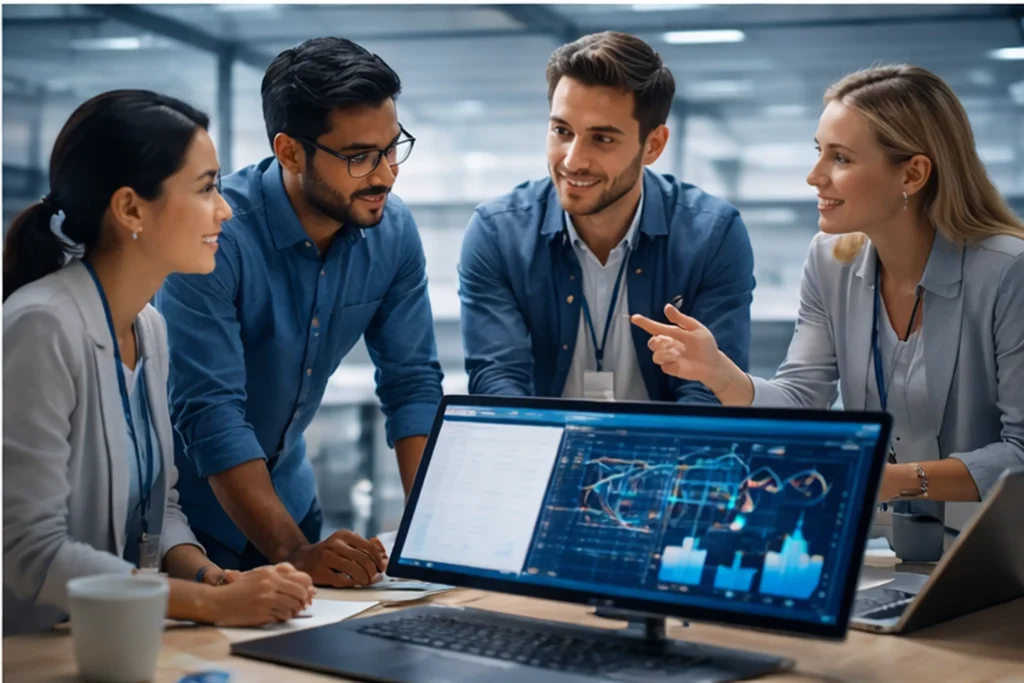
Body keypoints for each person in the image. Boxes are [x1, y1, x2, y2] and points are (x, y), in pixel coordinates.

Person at [632, 64, 1024, 562]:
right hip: (898, 553)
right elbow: (802, 397)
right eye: (819, 151)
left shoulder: (1009, 272)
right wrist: (719, 374)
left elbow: (1021, 452)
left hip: (1002, 561)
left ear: (913, 173)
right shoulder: (830, 259)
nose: (815, 175)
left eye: (840, 158)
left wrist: (889, 481)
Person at [3, 90, 315, 636]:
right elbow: (29, 551)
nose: (226, 208)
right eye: (206, 188)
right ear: (130, 209)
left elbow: (159, 506)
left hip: (113, 638)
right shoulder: (41, 325)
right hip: (31, 648)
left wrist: (217, 581)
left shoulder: (148, 326)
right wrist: (211, 607)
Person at [155, 37, 442, 583]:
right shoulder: (215, 238)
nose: (384, 175)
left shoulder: (393, 230)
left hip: (291, 500)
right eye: (358, 156)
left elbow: (412, 384)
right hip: (186, 525)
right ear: (289, 152)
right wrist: (291, 550)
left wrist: (434, 530)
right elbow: (211, 413)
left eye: (392, 147)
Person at [457, 31, 755, 403]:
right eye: (561, 131)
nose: (573, 160)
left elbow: (708, 390)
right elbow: (498, 382)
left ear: (654, 145)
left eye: (602, 139)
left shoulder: (713, 235)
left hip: (664, 454)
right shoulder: (497, 233)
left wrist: (657, 460)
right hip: (541, 449)